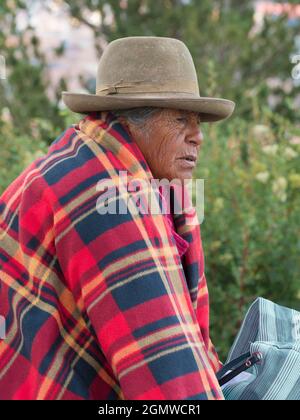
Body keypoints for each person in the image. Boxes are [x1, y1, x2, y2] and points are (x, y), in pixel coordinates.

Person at [0, 36, 235, 400]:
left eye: (198, 121)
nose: (198, 136)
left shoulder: (87, 159)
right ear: (132, 121)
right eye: (180, 119)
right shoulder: (113, 195)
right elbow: (169, 380)